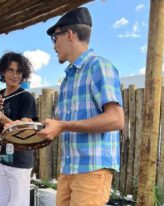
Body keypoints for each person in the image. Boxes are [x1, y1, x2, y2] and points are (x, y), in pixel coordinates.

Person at [37, 7, 125, 206]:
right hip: (68, 169)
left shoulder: (99, 66)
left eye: (55, 38)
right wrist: (27, 125)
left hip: (92, 170)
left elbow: (116, 119)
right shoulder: (68, 79)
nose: (54, 46)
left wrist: (63, 126)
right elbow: (59, 123)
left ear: (69, 35)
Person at [0, 52, 38, 206]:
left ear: (23, 75)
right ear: (3, 71)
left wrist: (4, 120)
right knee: (3, 202)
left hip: (21, 160)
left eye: (18, 71)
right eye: (10, 70)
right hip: (4, 158)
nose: (14, 75)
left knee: (17, 203)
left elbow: (25, 131)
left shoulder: (26, 97)